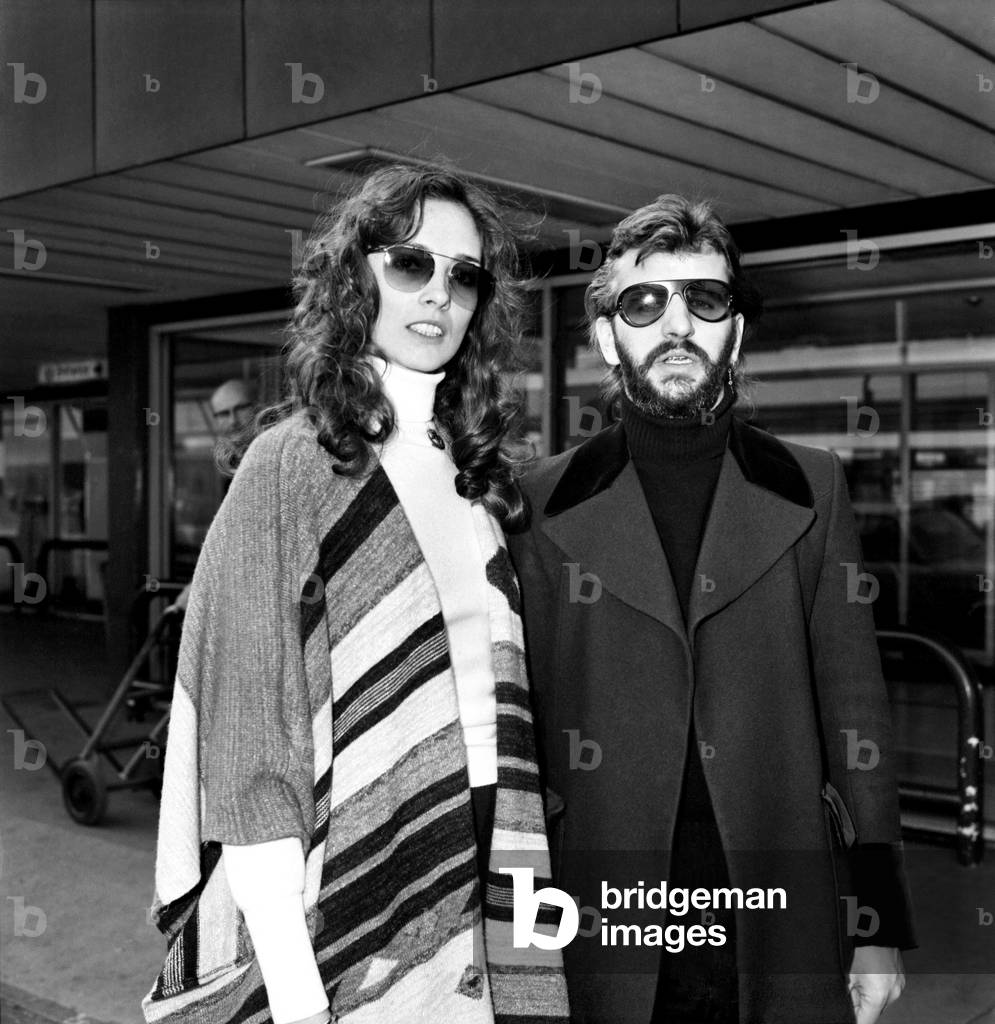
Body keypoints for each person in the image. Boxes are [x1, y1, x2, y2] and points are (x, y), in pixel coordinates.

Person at [143, 165, 568, 1024]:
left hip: (495, 832)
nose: (438, 292)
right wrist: (299, 998)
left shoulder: (477, 470)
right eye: (410, 263)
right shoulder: (291, 466)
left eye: (464, 274)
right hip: (351, 849)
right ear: (356, 277)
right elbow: (250, 747)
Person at [506, 194, 915, 1024]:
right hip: (598, 899)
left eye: (706, 299)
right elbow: (515, 731)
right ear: (603, 336)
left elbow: (854, 711)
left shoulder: (811, 483)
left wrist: (878, 926)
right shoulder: (534, 502)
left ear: (736, 330)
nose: (676, 324)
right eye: (643, 302)